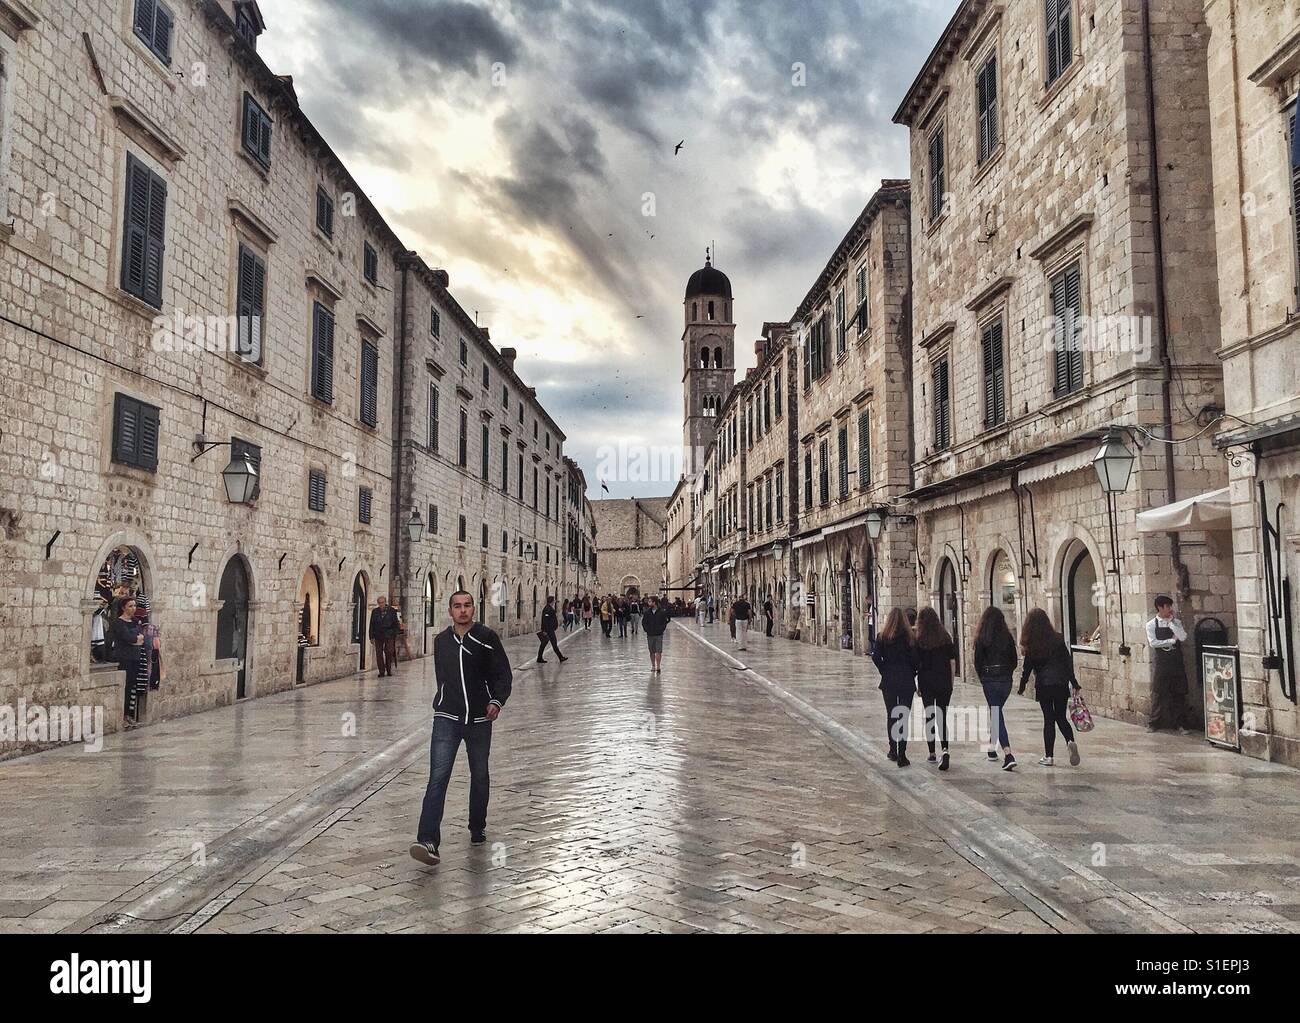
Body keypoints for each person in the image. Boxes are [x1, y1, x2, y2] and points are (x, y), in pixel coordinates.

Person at [410, 590, 513, 867]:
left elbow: (503, 674)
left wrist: (496, 701)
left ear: (474, 609)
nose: (463, 610)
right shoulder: (441, 641)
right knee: (438, 776)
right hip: (447, 717)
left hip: (480, 719)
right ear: (450, 610)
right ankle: (428, 840)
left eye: (467, 605)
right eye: (458, 606)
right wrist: (445, 701)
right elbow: (443, 678)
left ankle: (477, 824)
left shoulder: (487, 638)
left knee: (479, 774)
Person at [1019, 608, 1081, 766]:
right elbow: (1067, 663)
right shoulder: (1058, 639)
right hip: (1060, 683)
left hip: (1044, 685)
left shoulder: (1032, 644)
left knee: (1048, 719)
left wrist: (1022, 685)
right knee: (1060, 716)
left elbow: (1027, 668)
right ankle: (1070, 741)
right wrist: (1074, 683)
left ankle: (1049, 756)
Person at [871, 607, 919, 766]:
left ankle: (892, 750)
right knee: (903, 717)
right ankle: (902, 754)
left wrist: (884, 669)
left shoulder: (882, 637)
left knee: (891, 715)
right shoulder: (910, 639)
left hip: (889, 681)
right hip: (906, 681)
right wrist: (912, 672)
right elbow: (915, 660)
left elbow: (876, 657)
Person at [974, 606, 1018, 771]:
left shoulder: (982, 638)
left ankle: (1008, 754)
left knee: (995, 713)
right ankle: (992, 749)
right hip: (1005, 680)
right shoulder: (1007, 637)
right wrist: (1007, 673)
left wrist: (983, 677)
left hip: (990, 679)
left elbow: (977, 661)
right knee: (996, 711)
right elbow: (1014, 660)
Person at [914, 607, 957, 771]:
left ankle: (932, 753)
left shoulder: (919, 639)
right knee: (942, 717)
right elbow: (952, 662)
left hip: (927, 682)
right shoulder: (945, 637)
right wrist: (951, 682)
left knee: (930, 716)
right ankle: (945, 749)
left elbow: (917, 664)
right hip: (943, 681)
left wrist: (917, 684)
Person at [1146, 594, 1190, 732]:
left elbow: (1182, 637)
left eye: (1171, 606)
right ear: (1160, 608)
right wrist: (1170, 641)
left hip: (1176, 660)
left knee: (1179, 691)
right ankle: (1154, 723)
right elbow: (1153, 643)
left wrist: (1172, 623)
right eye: (1167, 606)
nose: (1170, 609)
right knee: (1158, 691)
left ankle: (1180, 723)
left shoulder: (1176, 622)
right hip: (1162, 661)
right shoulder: (1151, 624)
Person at [110, 597, 146, 724]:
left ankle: (129, 715)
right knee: (125, 687)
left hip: (135, 658)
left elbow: (142, 638)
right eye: (130, 606)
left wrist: (136, 639)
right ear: (123, 608)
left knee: (132, 686)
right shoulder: (118, 623)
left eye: (134, 606)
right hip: (124, 658)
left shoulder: (136, 622)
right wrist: (136, 639)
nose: (133, 608)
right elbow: (128, 638)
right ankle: (122, 716)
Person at [368, 595, 400, 677]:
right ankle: (381, 671)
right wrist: (371, 636)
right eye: (379, 603)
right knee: (379, 653)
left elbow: (396, 623)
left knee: (388, 652)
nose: (381, 604)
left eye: (382, 602)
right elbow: (372, 624)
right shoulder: (375, 612)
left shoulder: (391, 611)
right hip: (378, 635)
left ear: (385, 602)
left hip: (389, 634)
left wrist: (394, 633)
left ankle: (388, 669)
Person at [642, 595, 670, 674]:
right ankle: (653, 665)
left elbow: (665, 621)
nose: (648, 603)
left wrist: (661, 629)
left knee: (658, 650)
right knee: (651, 651)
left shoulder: (661, 612)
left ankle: (658, 666)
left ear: (654, 602)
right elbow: (644, 622)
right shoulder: (647, 613)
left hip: (658, 634)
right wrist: (647, 629)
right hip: (650, 634)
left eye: (650, 601)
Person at [536, 596, 567, 664]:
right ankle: (560, 657)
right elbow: (545, 620)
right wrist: (544, 630)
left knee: (544, 644)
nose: (554, 602)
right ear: (551, 601)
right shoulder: (547, 609)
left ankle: (539, 658)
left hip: (550, 630)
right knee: (553, 644)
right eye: (554, 601)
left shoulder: (549, 608)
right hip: (549, 630)